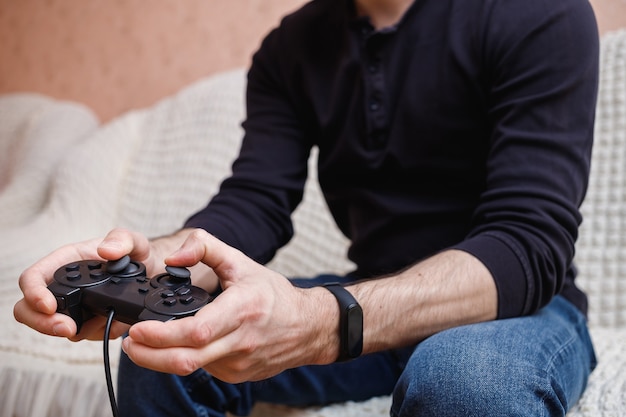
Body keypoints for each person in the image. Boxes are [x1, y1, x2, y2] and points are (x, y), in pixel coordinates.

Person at [14, 0, 599, 415]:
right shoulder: (290, 48)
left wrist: (323, 322)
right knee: (166, 346)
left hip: (518, 311)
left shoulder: (538, 11)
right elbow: (256, 201)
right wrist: (150, 268)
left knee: (464, 379)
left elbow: (528, 244)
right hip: (375, 295)